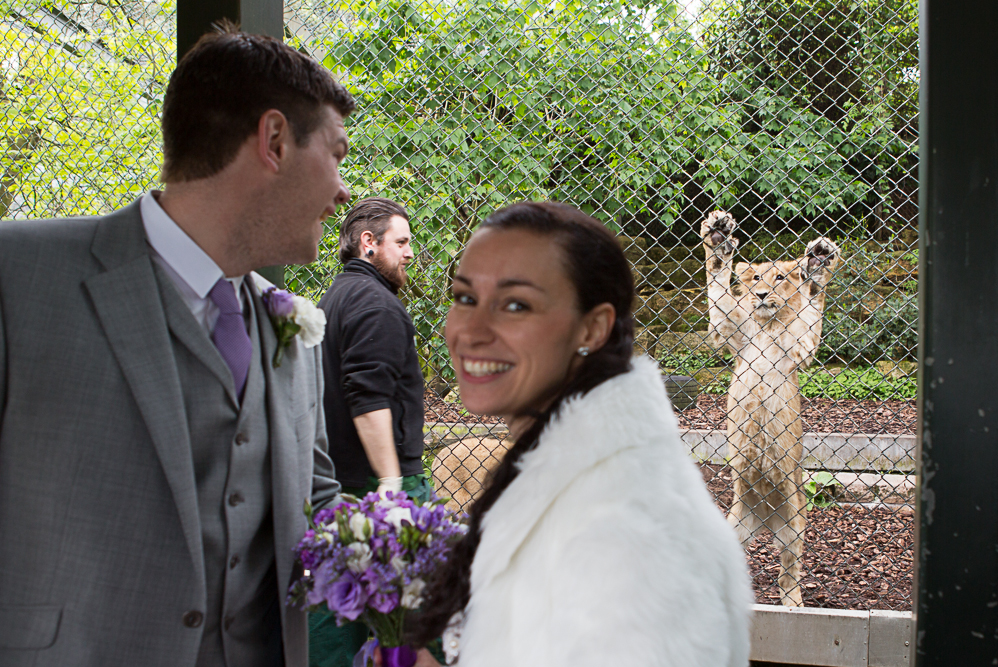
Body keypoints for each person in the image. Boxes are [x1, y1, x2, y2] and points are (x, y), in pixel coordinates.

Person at [0, 27, 353, 667]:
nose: (344, 191)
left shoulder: (296, 330)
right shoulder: (15, 274)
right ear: (274, 141)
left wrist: (429, 563)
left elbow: (316, 500)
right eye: (337, 155)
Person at [399, 201, 751, 666]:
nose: (472, 330)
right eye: (465, 298)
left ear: (593, 327)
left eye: (516, 305)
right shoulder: (559, 479)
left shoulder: (629, 531)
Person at [310, 197, 429, 667]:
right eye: (401, 242)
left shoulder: (335, 298)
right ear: (368, 243)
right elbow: (368, 396)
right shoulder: (376, 305)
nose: (409, 253)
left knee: (334, 609)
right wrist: (391, 483)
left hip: (339, 487)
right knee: (416, 615)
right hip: (382, 490)